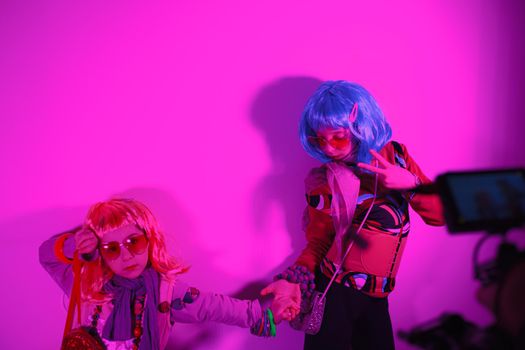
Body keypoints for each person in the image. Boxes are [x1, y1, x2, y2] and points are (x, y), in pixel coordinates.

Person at [261, 80, 445, 350]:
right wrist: (293, 278)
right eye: (319, 139)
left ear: (361, 126)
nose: (328, 148)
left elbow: (439, 215)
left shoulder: (397, 157)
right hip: (335, 292)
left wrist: (411, 185)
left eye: (337, 136)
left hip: (377, 296)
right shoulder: (322, 180)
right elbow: (319, 242)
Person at [40, 198, 299, 349]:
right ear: (100, 250)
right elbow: (47, 256)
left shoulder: (165, 291)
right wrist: (75, 244)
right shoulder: (90, 284)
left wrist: (264, 316)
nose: (126, 255)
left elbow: (213, 306)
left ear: (149, 240)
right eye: (111, 248)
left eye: (134, 242)